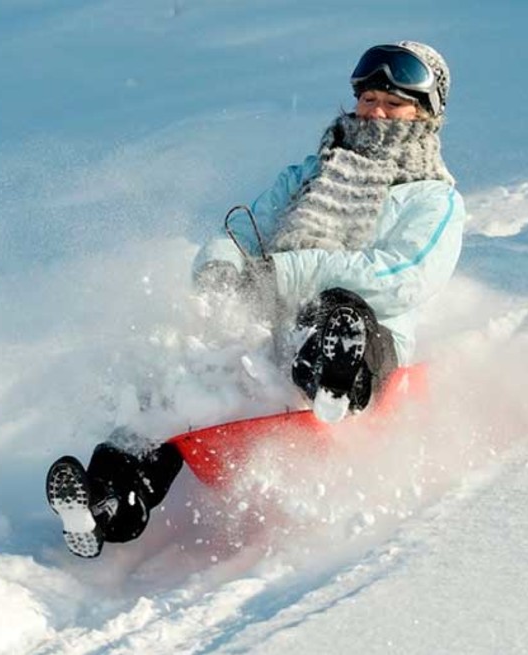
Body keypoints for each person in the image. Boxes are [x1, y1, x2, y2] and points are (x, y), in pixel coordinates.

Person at [47, 41, 467, 558]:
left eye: (394, 103)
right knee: (177, 375)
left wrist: (284, 274)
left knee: (338, 305)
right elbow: (246, 232)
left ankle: (332, 378)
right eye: (370, 98)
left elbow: (403, 277)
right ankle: (109, 500)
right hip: (268, 335)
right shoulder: (310, 175)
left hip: (363, 343)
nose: (376, 111)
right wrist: (221, 268)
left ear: (426, 115)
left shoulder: (434, 198)